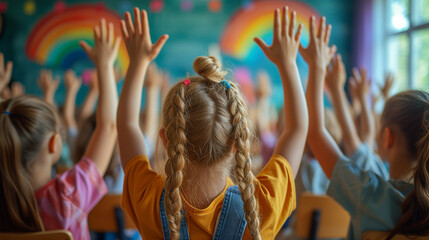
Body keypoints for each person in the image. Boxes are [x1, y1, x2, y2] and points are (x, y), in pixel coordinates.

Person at [117, 7, 308, 240]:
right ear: (237, 142)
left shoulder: (149, 200)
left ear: (167, 140)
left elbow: (127, 125)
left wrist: (138, 63)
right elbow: (297, 130)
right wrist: (288, 63)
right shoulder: (261, 208)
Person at [303, 15, 429, 239]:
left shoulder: (370, 192)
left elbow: (315, 134)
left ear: (387, 137)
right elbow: (351, 138)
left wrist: (316, 67)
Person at [0, 19, 119, 240]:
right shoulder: (68, 196)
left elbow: (108, 128)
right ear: (54, 144)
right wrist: (105, 65)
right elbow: (109, 127)